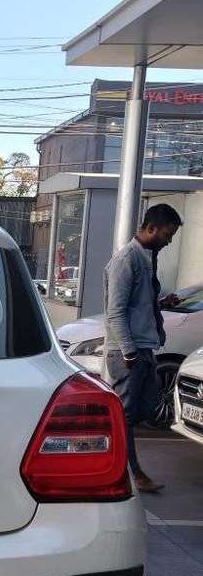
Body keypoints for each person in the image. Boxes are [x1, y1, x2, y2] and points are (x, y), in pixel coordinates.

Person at [104, 203, 183, 494]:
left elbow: (137, 306)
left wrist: (161, 304)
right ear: (151, 229)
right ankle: (131, 472)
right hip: (130, 352)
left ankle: (117, 460)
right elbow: (116, 312)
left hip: (144, 349)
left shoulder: (148, 258)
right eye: (167, 234)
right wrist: (128, 352)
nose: (169, 241)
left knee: (147, 409)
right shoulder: (127, 260)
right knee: (125, 415)